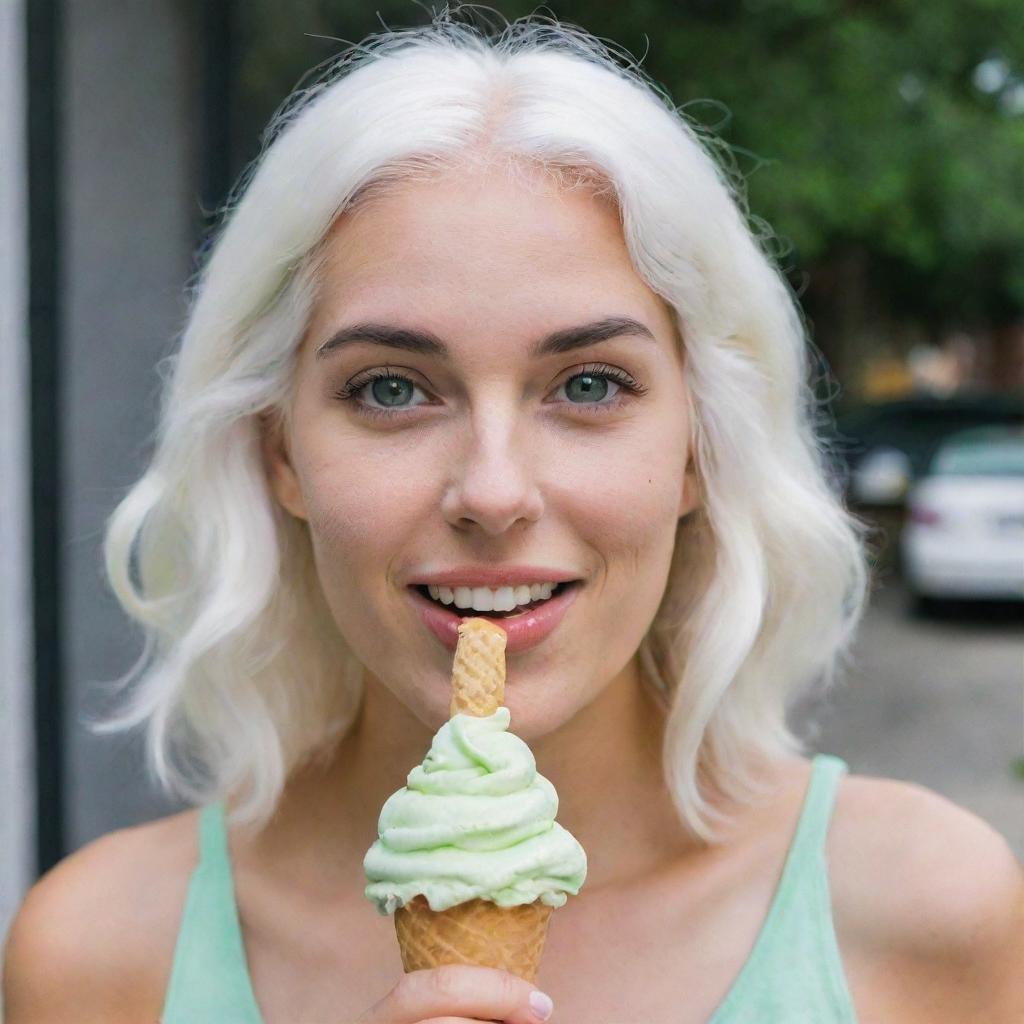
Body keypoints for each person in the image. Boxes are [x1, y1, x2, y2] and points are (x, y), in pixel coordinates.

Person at [4, 11, 1022, 1024]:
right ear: (280, 453)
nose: (491, 493)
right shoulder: (98, 957)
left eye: (586, 383)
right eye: (392, 389)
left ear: (699, 446)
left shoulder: (924, 919)